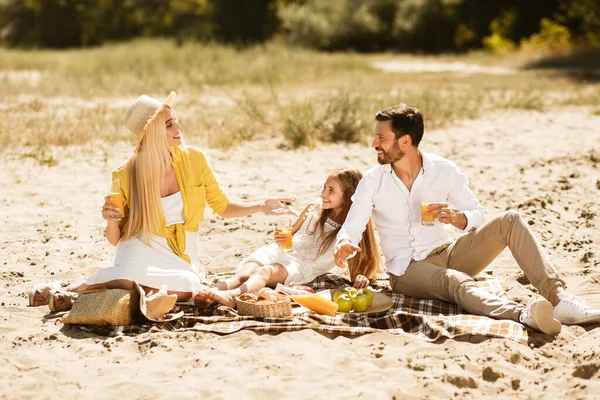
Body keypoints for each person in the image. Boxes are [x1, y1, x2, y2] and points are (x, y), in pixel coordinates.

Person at [334, 103, 600, 334]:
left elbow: (477, 214)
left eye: (381, 137)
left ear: (405, 141)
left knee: (511, 219)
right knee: (454, 280)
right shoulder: (373, 180)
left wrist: (459, 219)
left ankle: (558, 298)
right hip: (408, 268)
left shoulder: (443, 170)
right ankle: (523, 314)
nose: (374, 144)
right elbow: (352, 226)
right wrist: (344, 243)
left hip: (450, 252)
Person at [29, 91, 295, 311]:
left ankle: (75, 291)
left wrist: (261, 206)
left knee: (190, 284)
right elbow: (115, 238)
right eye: (169, 124)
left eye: (176, 120)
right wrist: (110, 220)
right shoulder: (124, 174)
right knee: (133, 269)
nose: (178, 128)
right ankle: (71, 290)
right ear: (153, 132)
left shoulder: (194, 159)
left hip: (182, 253)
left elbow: (222, 207)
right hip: (141, 244)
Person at [205, 168, 381, 308]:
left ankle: (232, 297)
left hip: (302, 264)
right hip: (283, 253)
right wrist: (281, 238)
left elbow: (358, 256)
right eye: (324, 188)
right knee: (246, 273)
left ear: (348, 196)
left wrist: (361, 276)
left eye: (331, 191)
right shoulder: (314, 207)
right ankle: (210, 293)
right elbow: (292, 232)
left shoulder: (350, 227)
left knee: (263, 272)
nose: (324, 194)